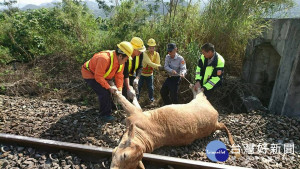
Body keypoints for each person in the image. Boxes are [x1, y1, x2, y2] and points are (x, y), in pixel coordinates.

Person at [81, 41, 133, 122]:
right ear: (120, 56)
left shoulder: (121, 63)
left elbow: (119, 77)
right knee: (104, 93)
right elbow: (98, 77)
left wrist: (119, 89)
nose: (126, 61)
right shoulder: (104, 58)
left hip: (102, 76)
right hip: (90, 74)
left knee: (111, 91)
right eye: (126, 59)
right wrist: (109, 87)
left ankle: (112, 107)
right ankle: (104, 115)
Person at [138, 38, 163, 102]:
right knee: (138, 86)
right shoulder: (144, 53)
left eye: (153, 47)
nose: (151, 49)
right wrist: (160, 67)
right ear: (148, 47)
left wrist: (161, 68)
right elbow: (149, 63)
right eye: (150, 47)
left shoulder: (157, 54)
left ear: (154, 47)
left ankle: (151, 100)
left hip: (150, 74)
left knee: (151, 87)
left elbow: (158, 64)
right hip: (142, 74)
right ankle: (136, 99)